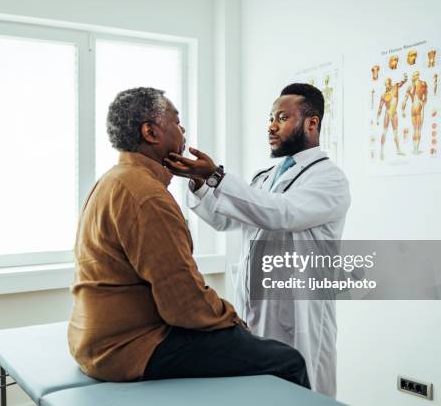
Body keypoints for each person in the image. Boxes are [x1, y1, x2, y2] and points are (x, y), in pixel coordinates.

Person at [68, 87, 310, 389]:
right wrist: (232, 319)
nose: (183, 130)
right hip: (129, 347)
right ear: (151, 132)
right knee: (289, 362)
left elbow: (271, 213)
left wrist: (205, 180)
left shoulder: (114, 180)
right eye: (177, 121)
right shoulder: (147, 196)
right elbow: (184, 305)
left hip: (95, 340)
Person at [164, 83, 351, 397]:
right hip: (256, 307)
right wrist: (201, 183)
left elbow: (281, 215)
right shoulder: (265, 177)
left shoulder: (329, 179)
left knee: (305, 391)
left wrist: (217, 178)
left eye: (281, 118)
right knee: (263, 393)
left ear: (312, 123)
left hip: (300, 312)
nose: (271, 126)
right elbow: (227, 219)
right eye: (270, 117)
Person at [377, 74, 408, 160]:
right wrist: (378, 118)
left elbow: (402, 83)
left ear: (390, 83)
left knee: (396, 132)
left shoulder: (395, 87)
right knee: (384, 132)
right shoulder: (384, 95)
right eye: (386, 84)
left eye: (388, 84)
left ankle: (398, 150)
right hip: (387, 113)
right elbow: (380, 107)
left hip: (394, 113)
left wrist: (405, 78)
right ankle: (381, 151)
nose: (387, 85)